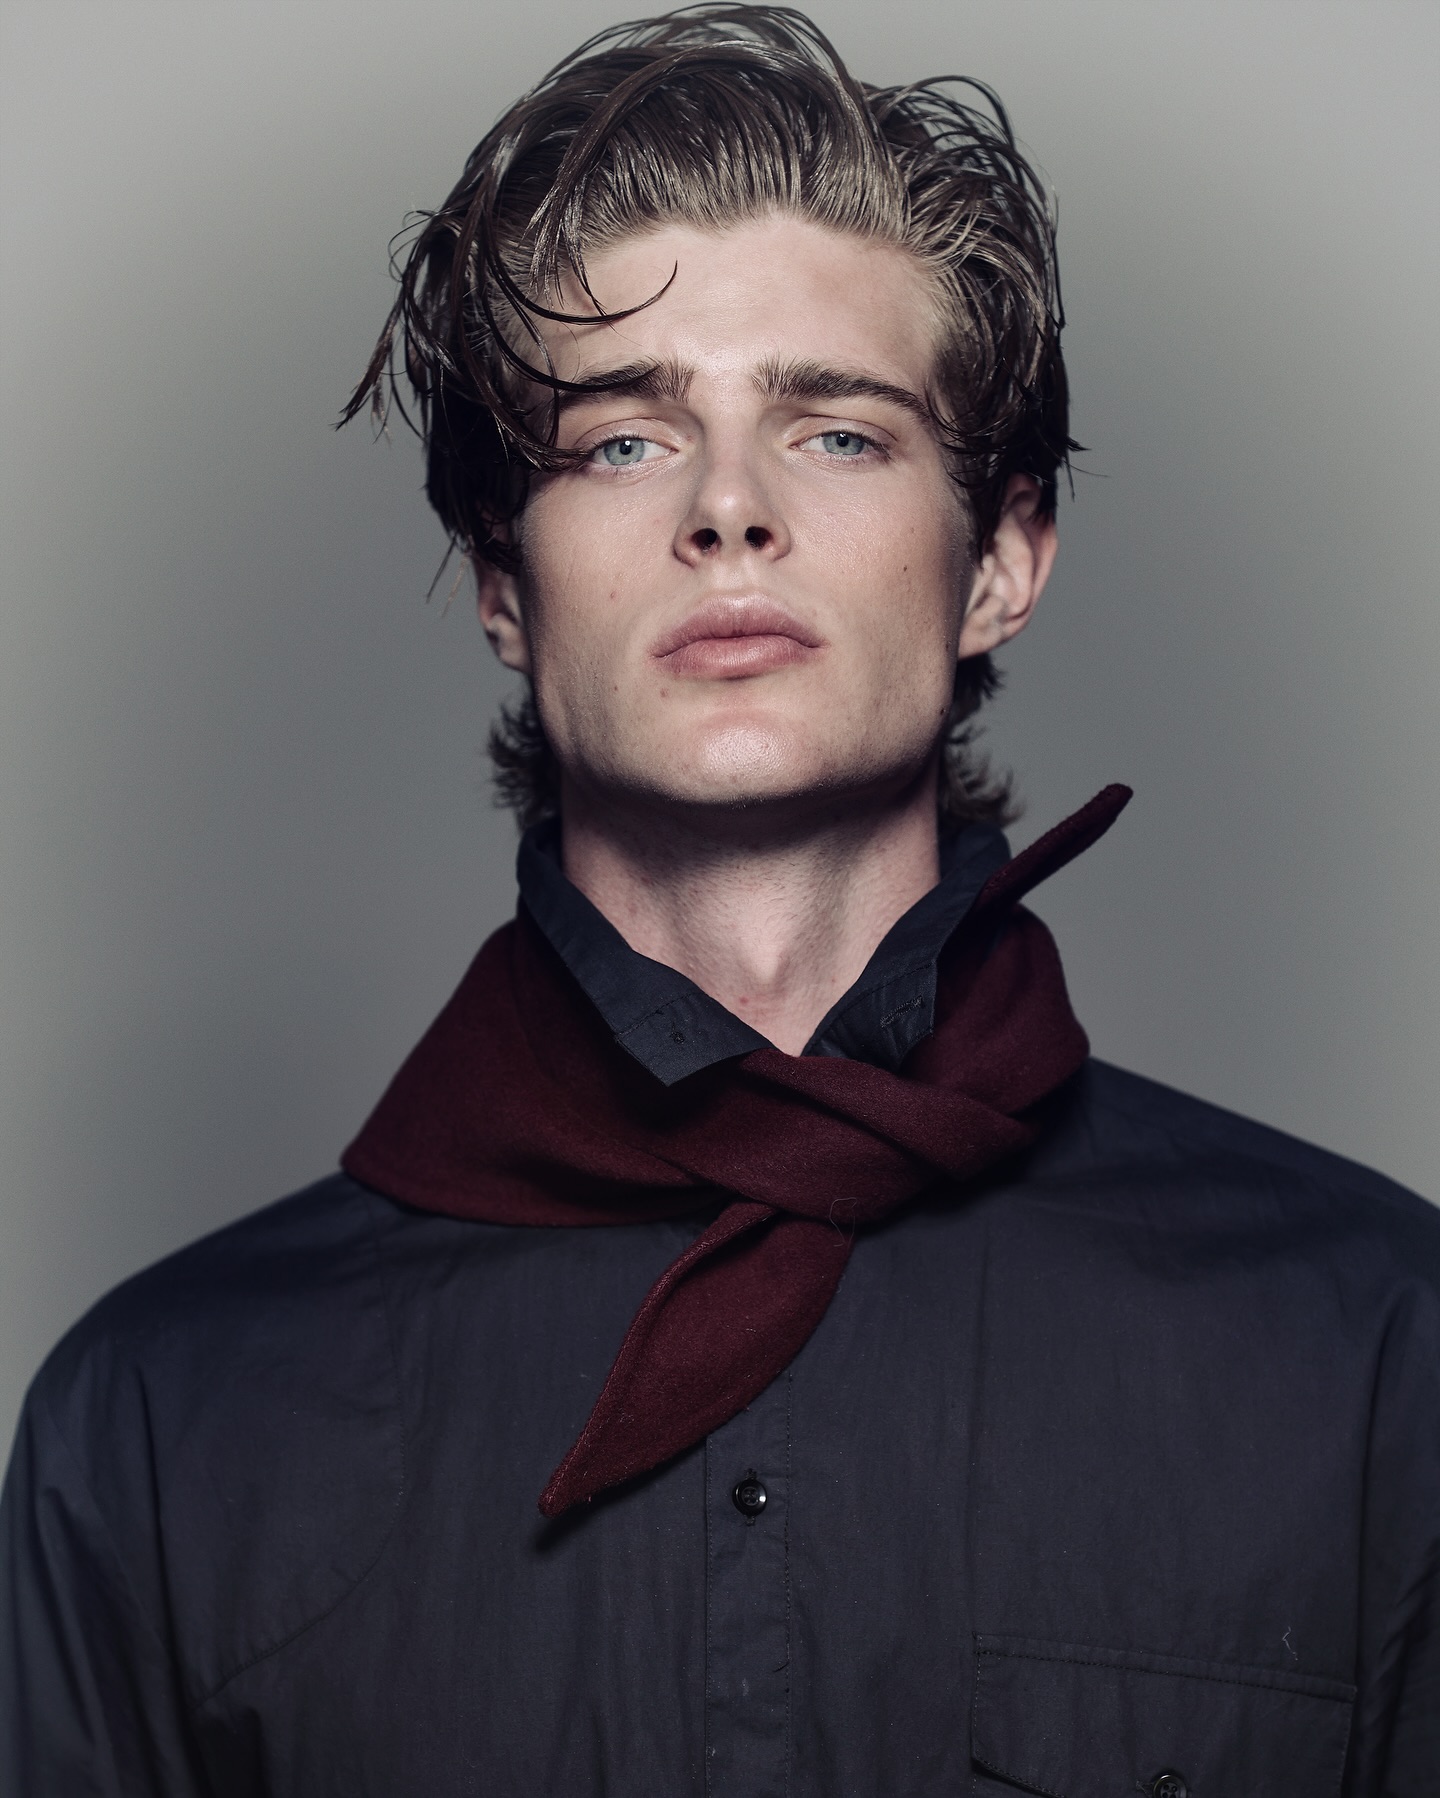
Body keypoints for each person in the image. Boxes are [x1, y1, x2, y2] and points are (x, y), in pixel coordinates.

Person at [3, 6, 1436, 1793]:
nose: (730, 509)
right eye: (623, 440)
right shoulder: (157, 1424)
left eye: (837, 432)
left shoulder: (1377, 1353)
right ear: (504, 585)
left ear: (1000, 560)